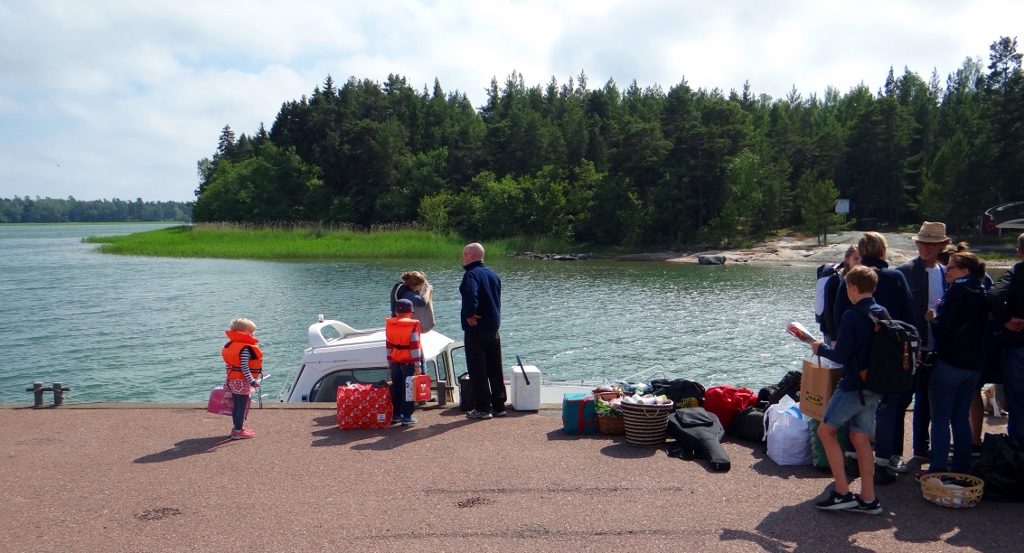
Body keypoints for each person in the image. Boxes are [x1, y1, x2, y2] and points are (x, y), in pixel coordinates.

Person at [833, 232, 915, 476]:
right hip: (888, 354)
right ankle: (884, 461)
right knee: (889, 407)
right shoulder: (896, 277)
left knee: (854, 404)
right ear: (882, 250)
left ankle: (851, 458)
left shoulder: (851, 278)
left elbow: (838, 317)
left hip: (858, 355)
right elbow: (909, 319)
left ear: (862, 250)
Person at [811, 265, 885, 515]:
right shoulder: (882, 312)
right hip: (875, 386)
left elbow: (841, 355)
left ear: (852, 288)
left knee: (826, 431)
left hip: (854, 386)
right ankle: (869, 498)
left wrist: (819, 348)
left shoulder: (852, 316)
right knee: (860, 438)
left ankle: (842, 492)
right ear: (873, 288)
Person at [924, 252, 990, 475]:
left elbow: (945, 329)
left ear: (965, 271)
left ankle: (938, 469)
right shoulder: (983, 291)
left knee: (940, 419)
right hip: (973, 365)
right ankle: (962, 466)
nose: (946, 271)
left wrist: (932, 319)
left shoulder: (957, 291)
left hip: (950, 362)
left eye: (951, 268)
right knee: (960, 417)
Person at [896, 222, 950, 462]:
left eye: (930, 244)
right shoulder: (905, 271)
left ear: (941, 246)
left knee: (928, 401)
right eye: (922, 243)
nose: (925, 248)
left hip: (937, 348)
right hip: (910, 348)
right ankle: (893, 454)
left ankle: (921, 446)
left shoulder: (945, 272)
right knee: (901, 401)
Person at [459, 242, 506, 419]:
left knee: (477, 368)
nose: (462, 258)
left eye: (464, 255)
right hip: (493, 327)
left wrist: (470, 314)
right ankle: (499, 405)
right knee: (495, 367)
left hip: (476, 327)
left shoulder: (471, 275)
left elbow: (472, 294)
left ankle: (483, 408)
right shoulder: (493, 274)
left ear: (471, 256)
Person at [990, 232, 1024, 438]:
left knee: (1018, 402)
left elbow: (993, 295)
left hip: (1019, 344)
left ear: (1019, 251)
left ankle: (1018, 454)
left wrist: (1005, 319)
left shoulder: (1015, 273)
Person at [222, 317, 262, 439]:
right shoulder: (245, 348)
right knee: (242, 406)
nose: (253, 334)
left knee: (237, 405)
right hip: (242, 381)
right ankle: (238, 431)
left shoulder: (231, 345)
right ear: (244, 331)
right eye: (252, 331)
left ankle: (236, 428)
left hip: (232, 380)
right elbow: (244, 367)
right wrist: (252, 381)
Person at [386, 299, 424, 426]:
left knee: (396, 388)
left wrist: (389, 361)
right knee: (409, 389)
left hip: (395, 360)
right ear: (410, 312)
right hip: (408, 362)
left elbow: (388, 345)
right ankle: (407, 417)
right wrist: (418, 365)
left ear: (396, 312)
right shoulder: (412, 325)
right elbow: (414, 347)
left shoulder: (390, 324)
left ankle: (396, 415)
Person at [817, 245, 861, 343]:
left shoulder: (861, 280)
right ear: (847, 260)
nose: (860, 262)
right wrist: (833, 338)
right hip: (832, 333)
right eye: (856, 258)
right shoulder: (835, 280)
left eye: (862, 258)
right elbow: (829, 311)